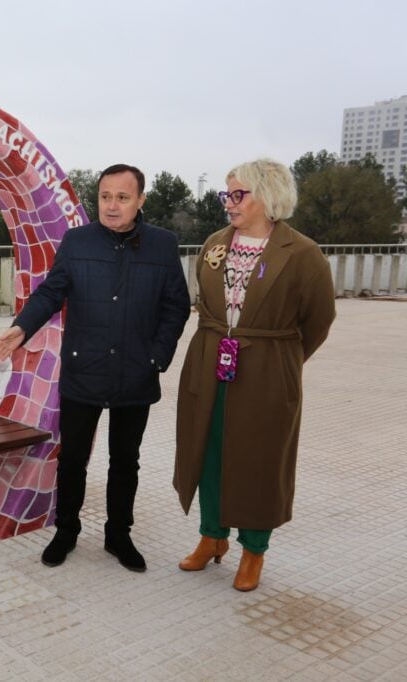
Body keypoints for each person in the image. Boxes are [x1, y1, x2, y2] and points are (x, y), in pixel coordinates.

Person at [0, 164, 190, 572]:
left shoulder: (162, 246)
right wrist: (22, 328)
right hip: (85, 368)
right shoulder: (77, 242)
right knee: (73, 458)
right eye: (104, 196)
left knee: (125, 460)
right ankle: (66, 531)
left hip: (136, 371)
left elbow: (176, 306)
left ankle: (119, 535)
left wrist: (156, 357)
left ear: (140, 201)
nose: (112, 206)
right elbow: (51, 291)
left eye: (122, 197)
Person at [173, 158, 335, 592]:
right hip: (209, 365)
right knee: (208, 451)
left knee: (260, 460)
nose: (229, 202)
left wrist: (280, 361)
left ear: (268, 196)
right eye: (227, 194)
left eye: (238, 194)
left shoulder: (302, 254)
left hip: (266, 373)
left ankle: (254, 550)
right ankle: (212, 537)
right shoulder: (214, 244)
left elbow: (318, 320)